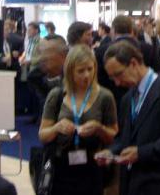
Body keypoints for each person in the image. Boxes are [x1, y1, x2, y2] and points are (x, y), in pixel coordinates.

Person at [97, 41, 160, 195]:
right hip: (133, 183)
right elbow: (123, 137)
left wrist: (141, 153)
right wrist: (111, 152)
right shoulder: (127, 98)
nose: (117, 83)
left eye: (118, 74)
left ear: (134, 63)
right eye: (112, 78)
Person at [39, 45, 118, 195]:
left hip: (93, 168)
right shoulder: (56, 95)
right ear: (70, 71)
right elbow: (43, 135)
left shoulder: (105, 97)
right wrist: (57, 128)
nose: (87, 75)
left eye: (90, 69)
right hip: (61, 168)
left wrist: (99, 129)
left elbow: (114, 136)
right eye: (80, 71)